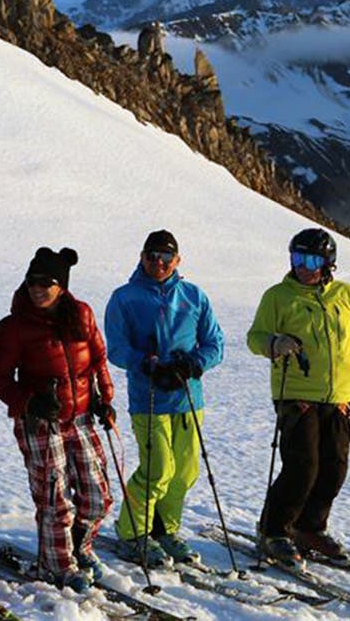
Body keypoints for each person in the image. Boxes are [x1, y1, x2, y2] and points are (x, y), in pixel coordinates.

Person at [247, 228, 350, 568]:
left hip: (338, 397)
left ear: (328, 262)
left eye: (312, 260)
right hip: (296, 394)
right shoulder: (278, 296)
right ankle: (273, 531)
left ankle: (309, 528)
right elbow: (255, 337)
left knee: (334, 467)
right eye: (297, 258)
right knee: (302, 466)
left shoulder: (346, 295)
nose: (304, 267)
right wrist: (274, 344)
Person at [0, 247, 115, 593]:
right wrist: (29, 402)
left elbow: (98, 359)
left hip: (82, 416)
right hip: (39, 421)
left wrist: (105, 399)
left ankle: (79, 548)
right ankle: (59, 566)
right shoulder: (14, 327)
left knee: (96, 495)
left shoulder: (82, 314)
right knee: (55, 497)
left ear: (62, 286)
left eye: (46, 282)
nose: (37, 289)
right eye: (32, 282)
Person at [103, 230, 224, 567]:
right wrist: (144, 363)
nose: (159, 263)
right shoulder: (124, 298)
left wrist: (194, 364)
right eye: (152, 256)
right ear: (142, 257)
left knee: (184, 473)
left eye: (166, 257)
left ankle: (164, 530)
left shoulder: (193, 296)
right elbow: (116, 348)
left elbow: (215, 343)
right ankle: (132, 531)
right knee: (158, 469)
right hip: (149, 399)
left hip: (187, 399)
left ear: (177, 261)